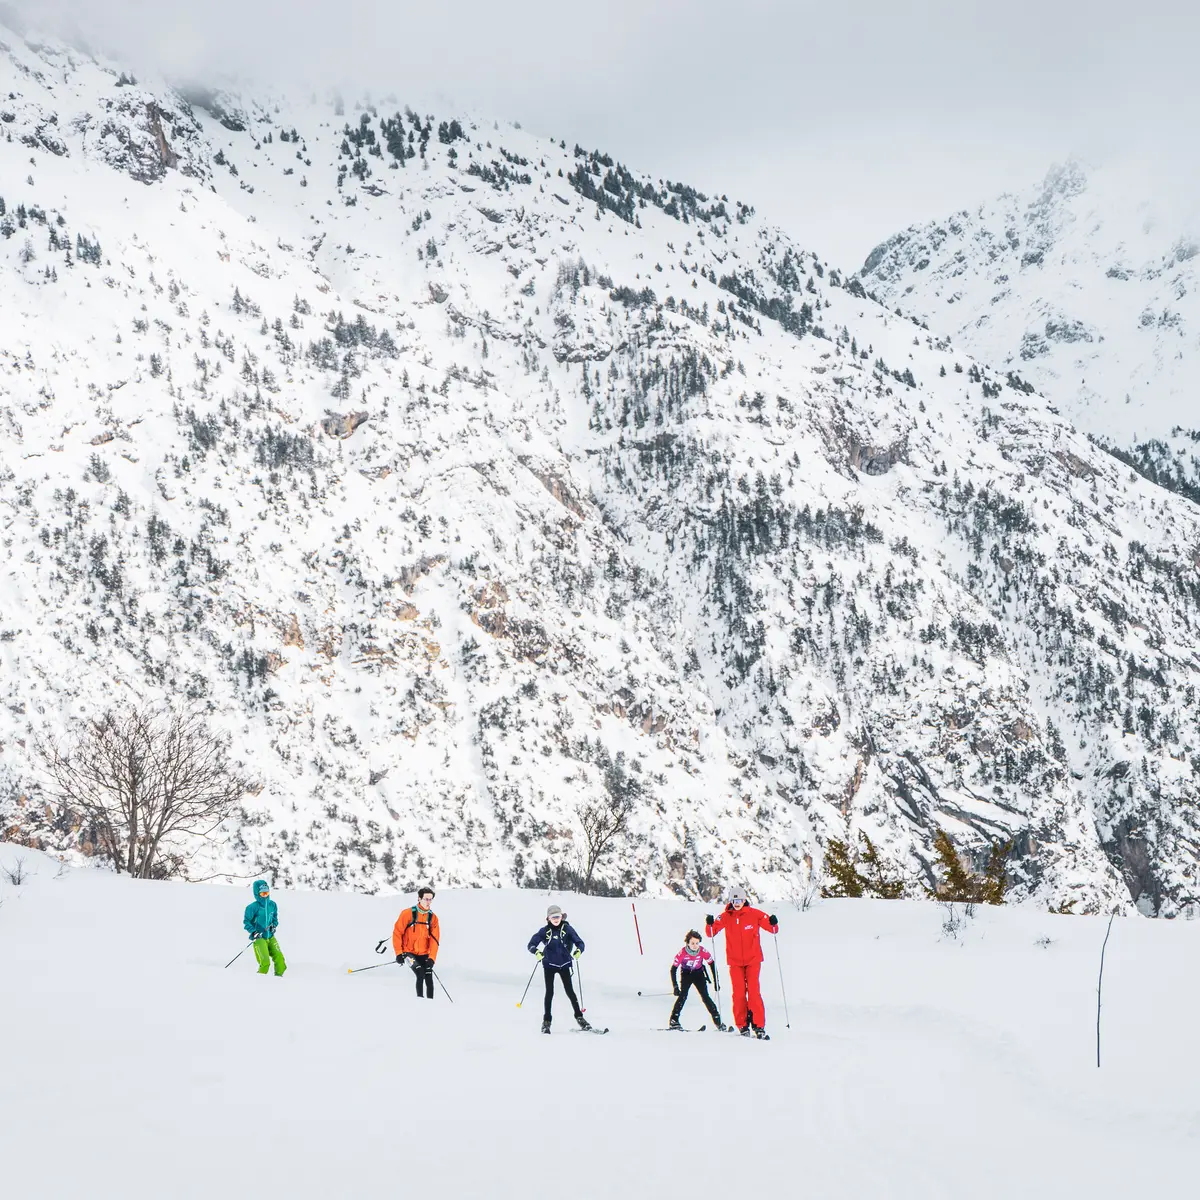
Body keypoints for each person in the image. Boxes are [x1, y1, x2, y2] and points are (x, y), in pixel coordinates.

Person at [705, 888, 778, 1037]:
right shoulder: (726, 916)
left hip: (753, 960)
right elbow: (710, 933)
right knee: (738, 994)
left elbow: (772, 929)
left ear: (744, 900)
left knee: (754, 992)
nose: (737, 903)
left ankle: (758, 1025)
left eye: (739, 900)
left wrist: (773, 922)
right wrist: (709, 924)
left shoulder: (755, 914)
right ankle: (742, 1025)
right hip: (735, 961)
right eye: (734, 900)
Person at [527, 904, 590, 1033]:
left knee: (570, 991)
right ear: (548, 918)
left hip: (564, 964)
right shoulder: (545, 931)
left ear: (562, 917)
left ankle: (580, 1018)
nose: (556, 919)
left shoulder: (567, 929)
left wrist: (579, 950)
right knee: (549, 992)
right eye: (553, 917)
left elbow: (580, 942)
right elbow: (531, 944)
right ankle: (546, 1021)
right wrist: (536, 952)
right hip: (549, 965)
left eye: (558, 916)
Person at [669, 929, 725, 1030]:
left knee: (705, 996)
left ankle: (718, 1021)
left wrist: (716, 981)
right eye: (692, 943)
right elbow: (673, 969)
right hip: (686, 974)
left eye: (697, 943)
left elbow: (712, 964)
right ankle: (674, 1020)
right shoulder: (682, 953)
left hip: (698, 974)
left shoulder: (702, 951)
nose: (695, 946)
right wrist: (675, 986)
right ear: (688, 943)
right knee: (683, 996)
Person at [394, 886, 440, 999]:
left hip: (424, 953)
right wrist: (399, 953)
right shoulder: (407, 914)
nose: (428, 902)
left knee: (428, 975)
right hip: (408, 953)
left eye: (430, 899)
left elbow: (434, 940)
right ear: (419, 898)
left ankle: (431, 1003)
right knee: (420, 973)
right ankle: (420, 1002)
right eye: (426, 899)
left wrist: (432, 958)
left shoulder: (433, 918)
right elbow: (397, 933)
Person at [244, 879, 286, 977]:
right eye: (262, 894)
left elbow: (275, 918)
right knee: (265, 962)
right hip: (259, 938)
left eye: (267, 893)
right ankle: (260, 981)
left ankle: (279, 980)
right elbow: (246, 922)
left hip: (270, 936)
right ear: (257, 894)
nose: (265, 895)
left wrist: (274, 926)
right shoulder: (252, 907)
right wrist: (254, 932)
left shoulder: (272, 905)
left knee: (280, 960)